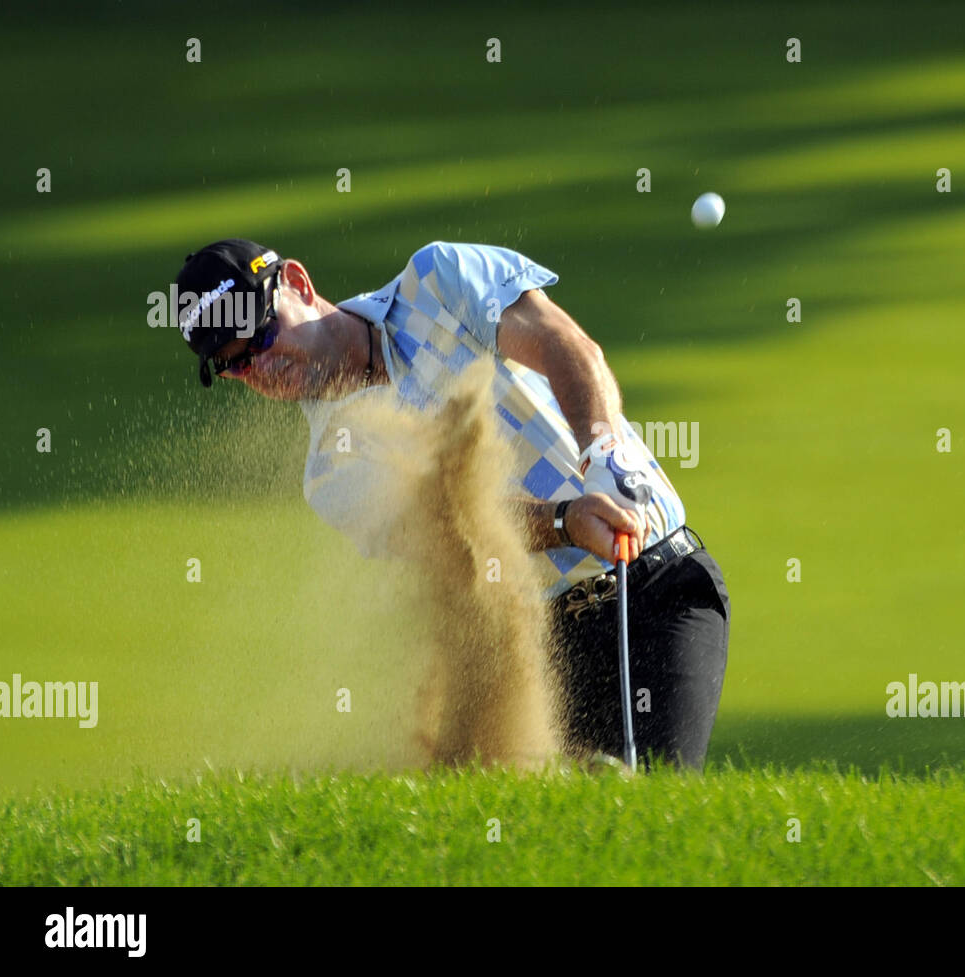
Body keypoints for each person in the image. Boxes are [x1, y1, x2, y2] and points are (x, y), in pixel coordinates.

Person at [170, 238, 730, 769]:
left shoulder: (436, 280)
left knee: (656, 793)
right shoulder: (331, 471)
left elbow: (562, 342)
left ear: (296, 281)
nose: (261, 368)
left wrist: (602, 445)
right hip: (549, 649)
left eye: (262, 338)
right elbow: (457, 531)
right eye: (235, 365)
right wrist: (566, 521)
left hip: (656, 587)